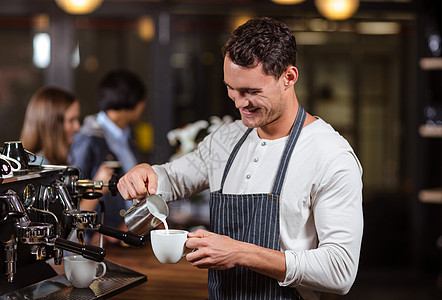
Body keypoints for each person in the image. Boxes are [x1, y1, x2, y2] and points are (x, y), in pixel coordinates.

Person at [117, 17, 363, 300]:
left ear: (289, 77)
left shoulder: (330, 155)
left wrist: (241, 253)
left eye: (252, 92)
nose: (238, 103)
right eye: (231, 88)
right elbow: (172, 179)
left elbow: (340, 270)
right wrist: (146, 173)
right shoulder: (227, 139)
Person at [68, 69, 147, 244]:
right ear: (131, 100)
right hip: (100, 242)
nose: (144, 105)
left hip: (127, 238)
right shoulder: (88, 137)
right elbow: (72, 197)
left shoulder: (128, 135)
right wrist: (90, 235)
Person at [20, 86, 81, 165]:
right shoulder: (38, 166)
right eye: (71, 120)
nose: (77, 127)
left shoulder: (63, 158)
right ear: (52, 125)